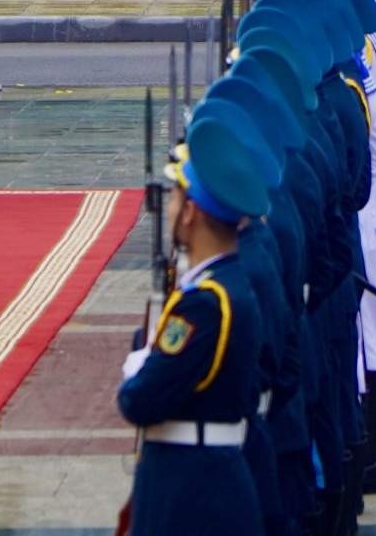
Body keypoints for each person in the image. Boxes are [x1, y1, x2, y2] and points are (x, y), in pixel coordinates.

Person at [118, 111, 269, 536]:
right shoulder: (220, 285)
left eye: (175, 196)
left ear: (191, 213)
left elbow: (139, 400)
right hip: (204, 481)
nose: (168, 206)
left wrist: (138, 363)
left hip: (190, 494)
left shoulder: (205, 303)